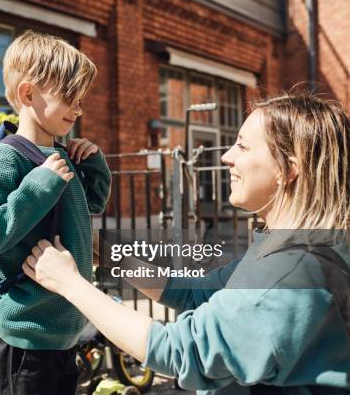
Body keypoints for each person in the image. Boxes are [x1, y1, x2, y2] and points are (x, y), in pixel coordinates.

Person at [22, 92, 350, 394]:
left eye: (243, 146)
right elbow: (196, 293)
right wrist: (115, 256)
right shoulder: (294, 249)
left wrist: (70, 284)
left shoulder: (289, 273)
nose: (225, 157)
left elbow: (179, 350)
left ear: (288, 169)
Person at [0, 30, 111, 394]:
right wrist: (36, 188)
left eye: (81, 99)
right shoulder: (6, 156)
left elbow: (91, 204)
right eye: (69, 97)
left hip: (63, 335)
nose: (78, 109)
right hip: (24, 342)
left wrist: (93, 165)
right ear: (28, 93)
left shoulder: (59, 157)